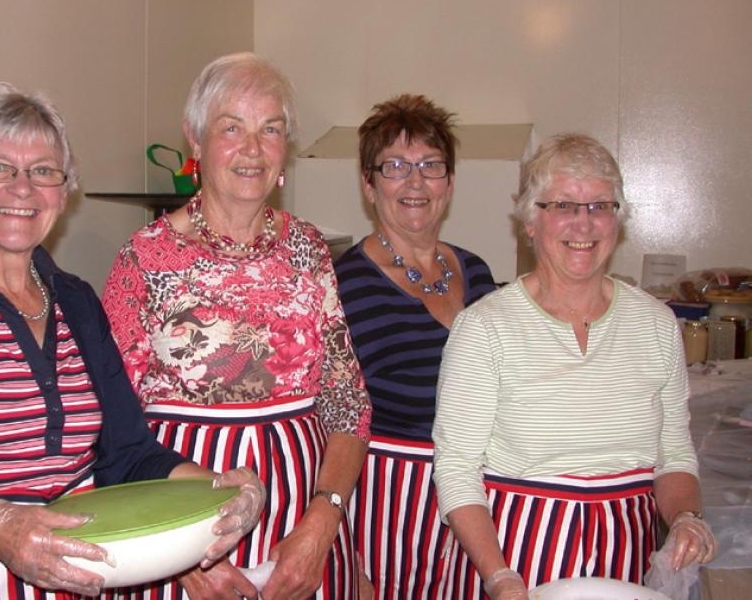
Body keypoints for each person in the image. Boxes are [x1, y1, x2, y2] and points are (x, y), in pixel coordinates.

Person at [0, 82, 264, 600]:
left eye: (43, 171)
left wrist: (218, 488)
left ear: (64, 191)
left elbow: (128, 453)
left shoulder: (77, 302)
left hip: (78, 581)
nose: (22, 188)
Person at [101, 52, 372, 600]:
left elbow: (348, 403)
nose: (253, 148)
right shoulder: (144, 259)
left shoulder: (309, 249)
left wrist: (323, 526)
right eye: (232, 128)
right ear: (195, 142)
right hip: (180, 527)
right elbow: (109, 426)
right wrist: (181, 561)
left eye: (270, 129)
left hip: (305, 525)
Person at [432, 133, 717, 600]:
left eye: (600, 206)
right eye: (563, 205)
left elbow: (674, 454)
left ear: (617, 221)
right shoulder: (486, 328)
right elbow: (458, 468)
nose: (584, 225)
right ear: (530, 220)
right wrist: (499, 577)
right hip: (512, 554)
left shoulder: (657, 325)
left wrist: (687, 517)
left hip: (625, 556)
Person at [334, 94, 497, 599]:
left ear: (449, 182)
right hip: (385, 510)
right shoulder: (342, 286)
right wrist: (345, 555)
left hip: (477, 504)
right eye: (395, 166)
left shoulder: (477, 272)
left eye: (431, 165)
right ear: (368, 182)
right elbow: (326, 421)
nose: (415, 182)